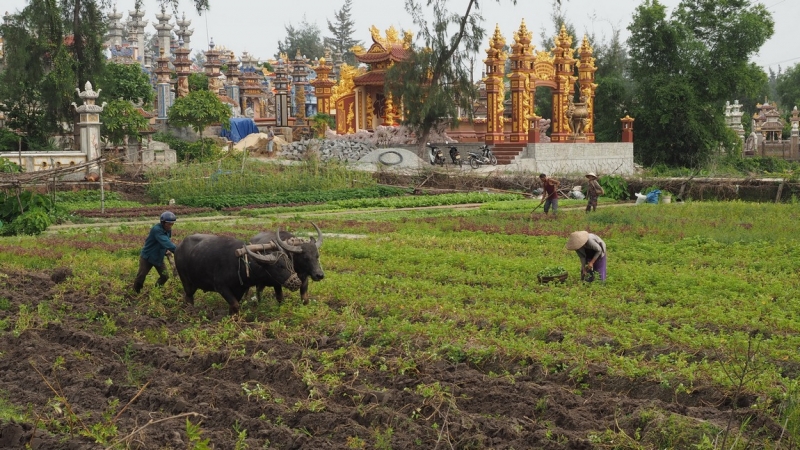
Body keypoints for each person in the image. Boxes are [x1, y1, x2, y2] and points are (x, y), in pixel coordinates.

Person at [133, 211, 178, 294]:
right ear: (163, 222)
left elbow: (167, 241)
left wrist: (166, 250)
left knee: (165, 276)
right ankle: (136, 292)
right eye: (169, 224)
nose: (170, 226)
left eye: (172, 224)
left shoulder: (168, 230)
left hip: (158, 257)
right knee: (141, 276)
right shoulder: (156, 229)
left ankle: (155, 290)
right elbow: (166, 242)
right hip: (148, 257)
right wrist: (178, 251)